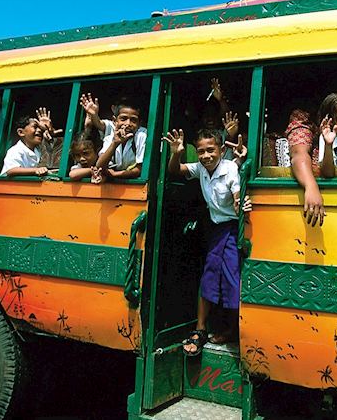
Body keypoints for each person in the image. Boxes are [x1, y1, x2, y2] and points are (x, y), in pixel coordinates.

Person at [162, 128, 250, 356]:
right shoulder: (200, 168)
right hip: (215, 228)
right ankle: (201, 328)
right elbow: (175, 171)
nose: (205, 156)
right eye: (200, 151)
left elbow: (236, 193)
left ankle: (233, 329)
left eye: (211, 150)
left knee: (231, 277)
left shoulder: (230, 167)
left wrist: (241, 204)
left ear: (222, 150)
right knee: (210, 274)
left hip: (231, 228)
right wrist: (176, 153)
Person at [94, 98, 147, 180]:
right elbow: (100, 166)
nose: (128, 124)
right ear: (115, 121)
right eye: (123, 119)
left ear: (139, 123)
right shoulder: (111, 137)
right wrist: (115, 143)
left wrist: (115, 175)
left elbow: (139, 169)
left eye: (133, 120)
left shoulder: (141, 135)